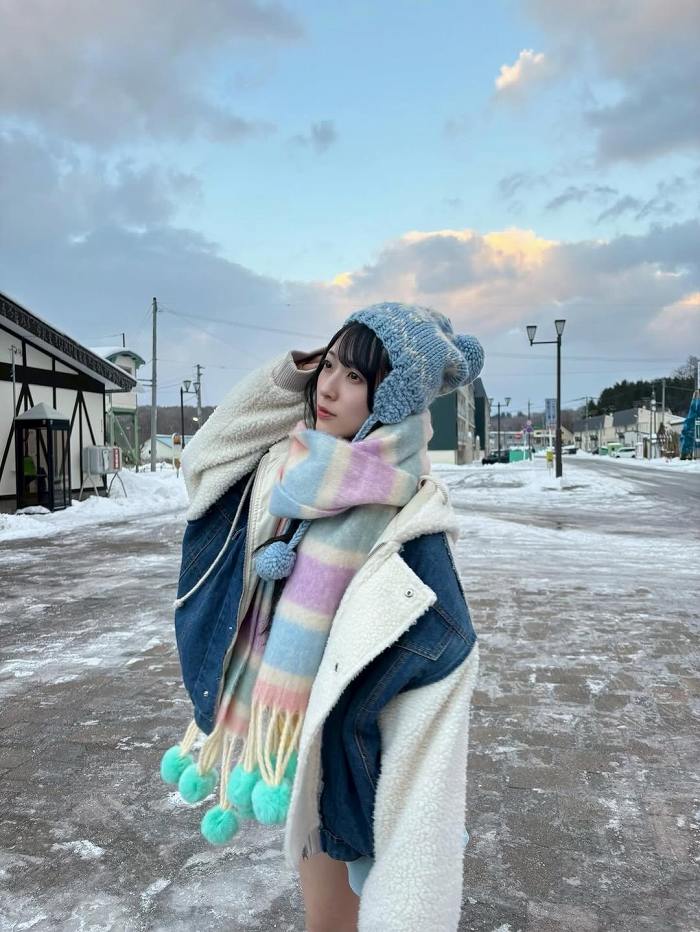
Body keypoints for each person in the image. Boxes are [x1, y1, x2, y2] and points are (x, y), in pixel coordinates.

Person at [159, 302, 483, 931]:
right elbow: (203, 456)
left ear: (393, 396)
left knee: (335, 919)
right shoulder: (291, 466)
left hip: (345, 753)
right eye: (328, 366)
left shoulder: (409, 515)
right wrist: (291, 375)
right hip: (298, 739)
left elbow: (438, 665)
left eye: (355, 376)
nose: (328, 387)